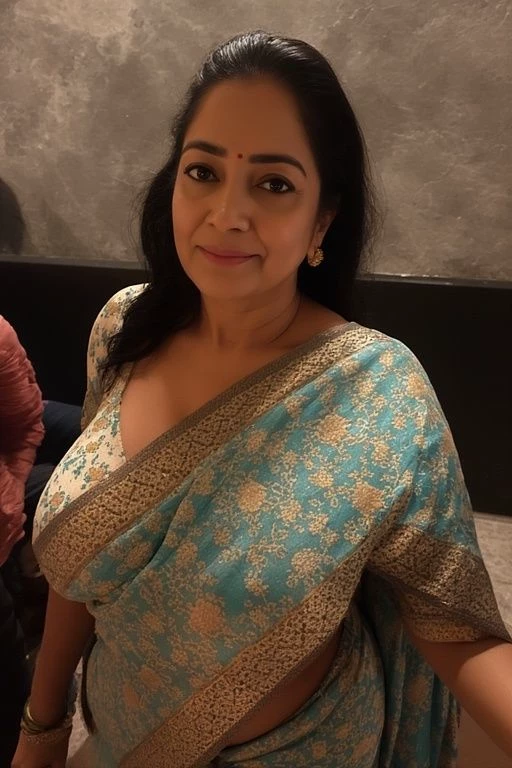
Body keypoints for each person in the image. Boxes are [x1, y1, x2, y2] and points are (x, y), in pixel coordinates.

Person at [13, 30, 511, 768]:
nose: (226, 213)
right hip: (120, 739)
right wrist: (42, 727)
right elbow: (87, 559)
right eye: (203, 171)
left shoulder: (377, 388)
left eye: (274, 183)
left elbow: (456, 631)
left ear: (322, 220)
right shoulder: (125, 327)